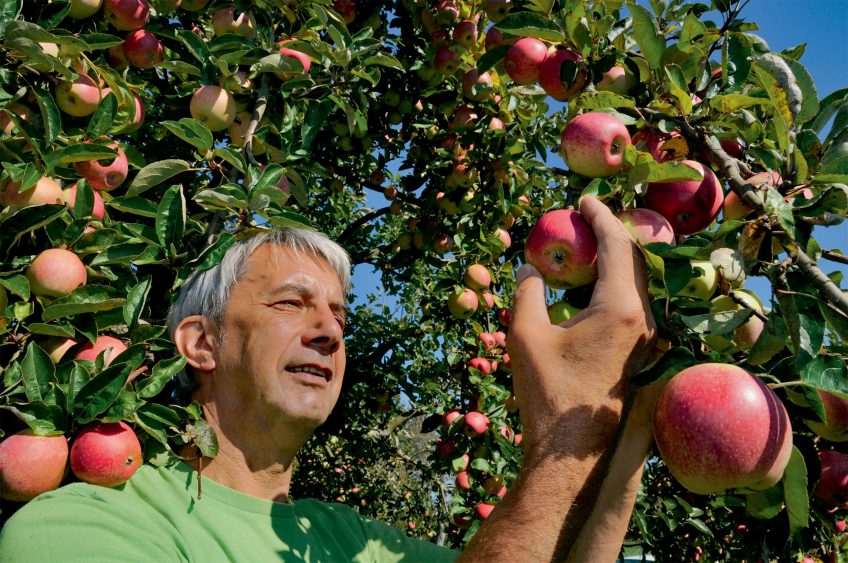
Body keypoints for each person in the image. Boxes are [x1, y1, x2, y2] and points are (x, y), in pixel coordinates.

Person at [0, 196, 657, 562]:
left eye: (339, 314)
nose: (328, 331)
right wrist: (566, 430)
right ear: (201, 341)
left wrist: (619, 425)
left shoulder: (353, 541)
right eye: (291, 302)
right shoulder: (80, 527)